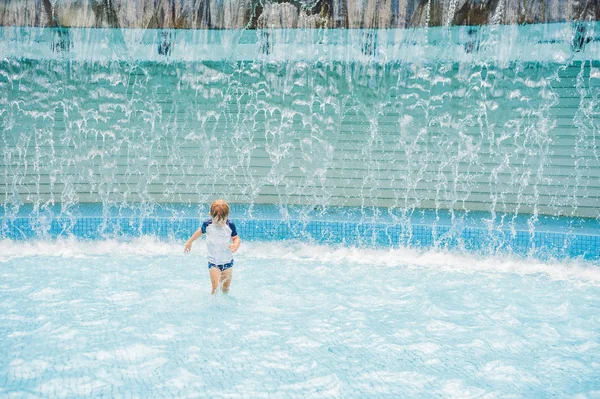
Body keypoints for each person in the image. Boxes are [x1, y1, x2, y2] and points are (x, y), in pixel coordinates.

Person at [184, 200, 241, 294]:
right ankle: (214, 303)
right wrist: (190, 242)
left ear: (227, 216)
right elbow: (199, 232)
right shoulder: (207, 224)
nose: (219, 223)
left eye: (222, 220)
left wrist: (236, 244)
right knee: (215, 287)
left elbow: (236, 238)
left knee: (225, 288)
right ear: (210, 215)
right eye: (217, 220)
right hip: (213, 262)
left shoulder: (230, 225)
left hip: (227, 262)